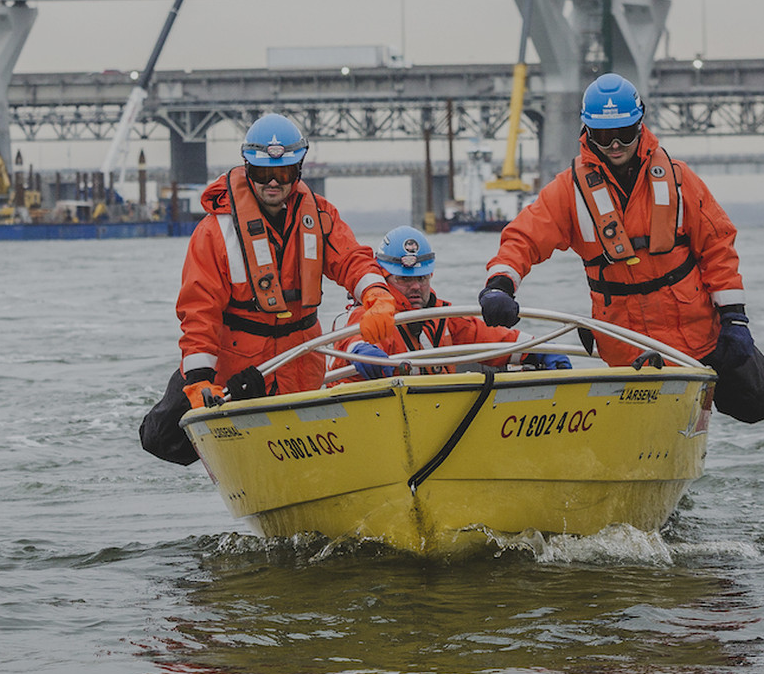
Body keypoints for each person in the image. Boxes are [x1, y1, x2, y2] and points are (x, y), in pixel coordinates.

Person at [477, 73, 764, 423]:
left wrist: (734, 318)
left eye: (624, 133)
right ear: (587, 132)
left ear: (640, 126)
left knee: (761, 400)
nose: (615, 145)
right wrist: (499, 285)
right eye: (604, 136)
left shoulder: (680, 180)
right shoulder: (568, 191)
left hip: (697, 336)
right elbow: (524, 237)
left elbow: (717, 246)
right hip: (625, 346)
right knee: (647, 422)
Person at [139, 113, 401, 464]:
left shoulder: (320, 216)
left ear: (299, 171)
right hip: (236, 366)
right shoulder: (214, 232)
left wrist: (378, 295)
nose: (273, 182)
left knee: (300, 447)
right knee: (160, 435)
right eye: (263, 173)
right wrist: (201, 380)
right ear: (248, 169)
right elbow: (199, 311)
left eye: (285, 171)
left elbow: (352, 259)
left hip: (300, 360)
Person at [328, 226, 570, 381]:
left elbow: (490, 338)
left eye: (421, 278)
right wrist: (357, 352)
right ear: (384, 277)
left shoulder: (444, 317)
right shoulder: (371, 316)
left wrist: (541, 349)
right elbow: (352, 341)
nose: (415, 287)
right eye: (404, 279)